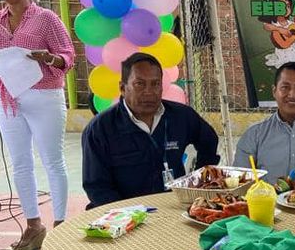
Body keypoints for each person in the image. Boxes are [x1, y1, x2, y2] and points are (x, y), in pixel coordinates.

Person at [0, 0, 75, 250]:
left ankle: (61, 225)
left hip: (44, 96)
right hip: (8, 99)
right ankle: (33, 226)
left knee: (52, 160)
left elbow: (68, 56)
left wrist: (49, 58)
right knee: (20, 163)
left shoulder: (46, 19)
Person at [82, 52, 220, 208]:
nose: (149, 91)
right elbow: (97, 187)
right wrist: (131, 214)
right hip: (124, 214)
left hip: (175, 207)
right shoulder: (100, 129)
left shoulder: (181, 116)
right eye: (139, 84)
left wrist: (198, 183)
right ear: (122, 88)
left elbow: (209, 141)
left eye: (155, 84)